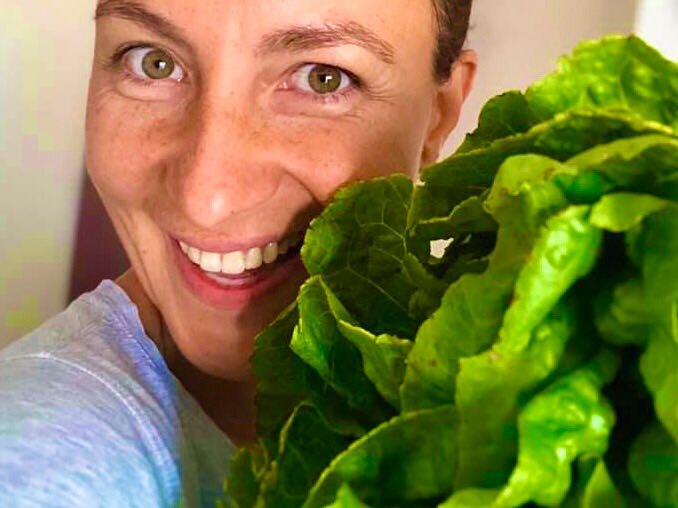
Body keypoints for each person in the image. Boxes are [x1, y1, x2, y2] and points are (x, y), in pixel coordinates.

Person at [0, 0, 476, 505]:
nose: (206, 201)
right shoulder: (40, 465)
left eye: (322, 80)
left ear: (439, 116)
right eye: (153, 62)